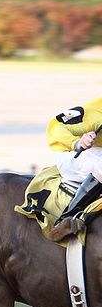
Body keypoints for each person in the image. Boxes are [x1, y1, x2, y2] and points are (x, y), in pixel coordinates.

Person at [46, 96, 102, 239]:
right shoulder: (93, 113)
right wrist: (78, 142)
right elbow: (55, 126)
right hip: (70, 155)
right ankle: (67, 218)